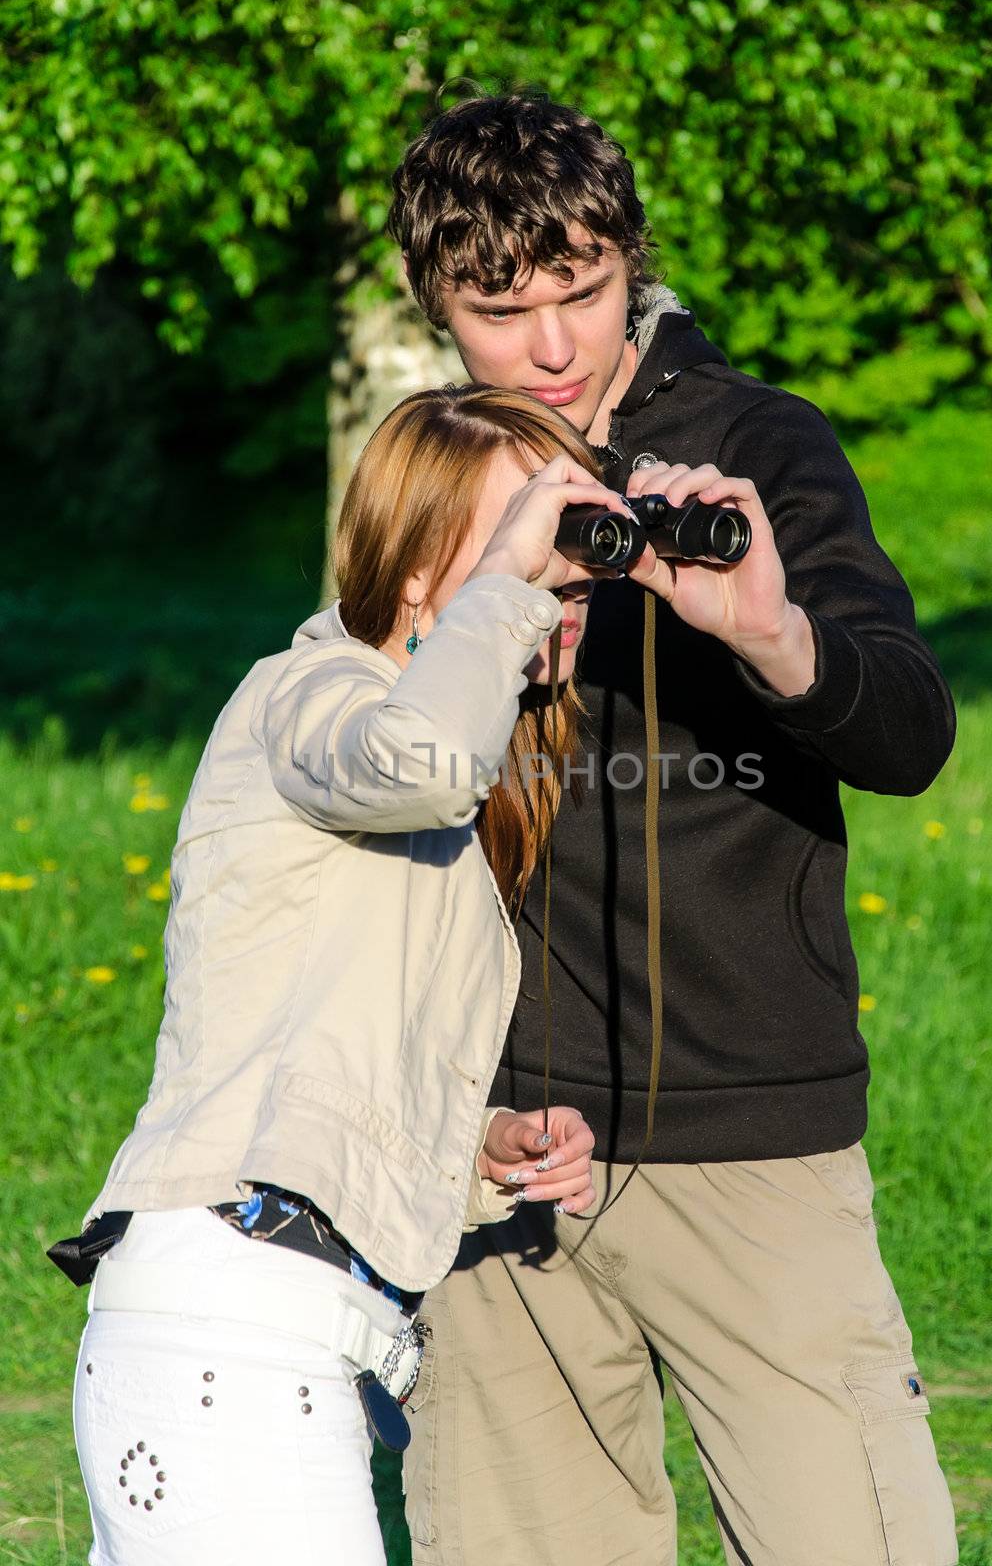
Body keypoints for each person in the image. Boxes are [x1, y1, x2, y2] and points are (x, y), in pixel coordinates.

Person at [388, 92, 961, 1565]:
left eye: (584, 292)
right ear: (434, 299)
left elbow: (910, 729)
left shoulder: (760, 443)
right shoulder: (438, 471)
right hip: (498, 1143)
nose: (557, 347)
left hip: (752, 1133)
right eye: (501, 310)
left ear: (632, 260)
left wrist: (773, 634)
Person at [55, 384, 632, 1565]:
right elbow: (414, 759)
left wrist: (476, 1153)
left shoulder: (448, 759)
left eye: (567, 543)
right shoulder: (309, 693)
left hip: (271, 1340)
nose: (556, 571)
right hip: (229, 1346)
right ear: (418, 570)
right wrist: (510, 590)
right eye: (522, 528)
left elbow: (323, 1041)